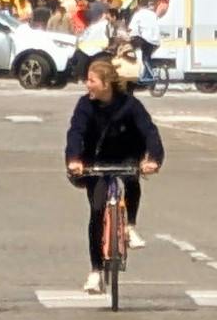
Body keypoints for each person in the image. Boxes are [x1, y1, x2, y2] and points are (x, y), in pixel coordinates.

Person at [64, 58, 164, 293]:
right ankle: (95, 271)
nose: (87, 84)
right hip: (95, 161)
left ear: (106, 84)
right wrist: (74, 159)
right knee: (97, 210)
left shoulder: (130, 105)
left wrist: (153, 159)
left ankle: (130, 226)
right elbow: (75, 132)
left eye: (92, 80)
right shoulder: (85, 105)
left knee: (131, 178)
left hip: (126, 156)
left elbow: (150, 132)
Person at [126, 0, 168, 84]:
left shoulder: (138, 15)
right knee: (147, 57)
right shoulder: (153, 14)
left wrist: (128, 35)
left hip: (147, 40)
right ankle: (146, 76)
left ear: (138, 5)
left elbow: (132, 29)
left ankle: (151, 75)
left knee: (144, 58)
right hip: (156, 40)